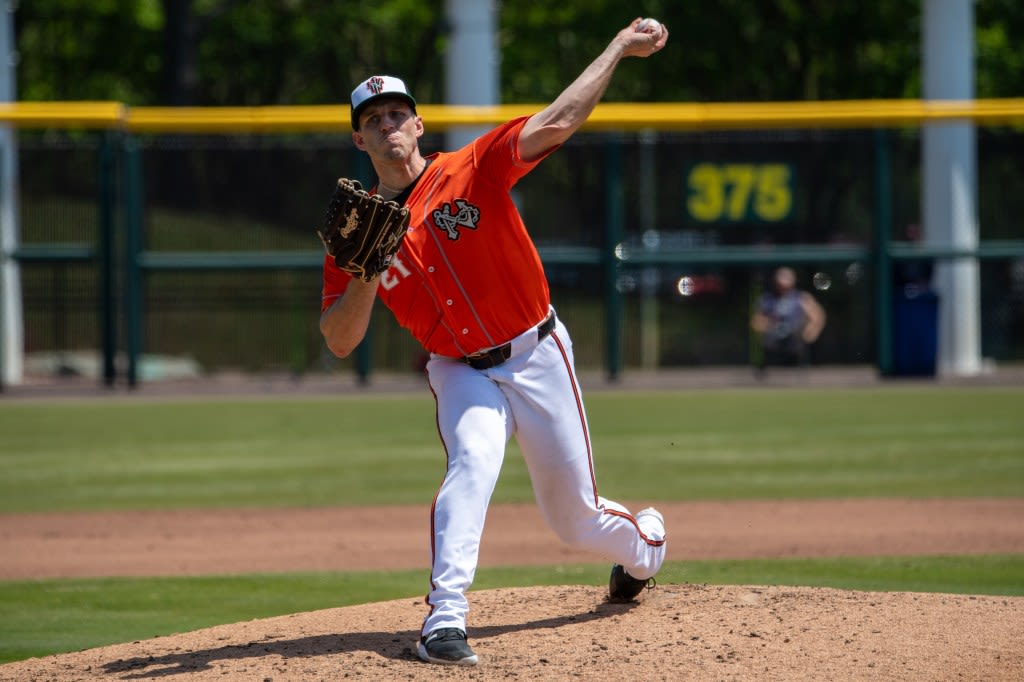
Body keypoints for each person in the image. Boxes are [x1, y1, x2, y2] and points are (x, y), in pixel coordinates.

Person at [320, 18, 669, 667]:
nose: (389, 125)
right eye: (375, 119)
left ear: (419, 125)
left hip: (536, 351)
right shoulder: (354, 229)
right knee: (473, 462)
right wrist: (365, 271)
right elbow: (340, 339)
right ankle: (444, 621)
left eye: (399, 113)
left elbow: (559, 121)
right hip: (458, 368)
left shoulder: (472, 167)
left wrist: (618, 45)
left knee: (574, 519)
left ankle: (647, 544)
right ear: (358, 136)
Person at [750, 266, 826, 370]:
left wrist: (810, 331)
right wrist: (769, 325)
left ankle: (801, 367)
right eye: (781, 280)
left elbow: (817, 316)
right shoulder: (767, 299)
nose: (783, 284)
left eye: (787, 279)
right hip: (773, 337)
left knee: (799, 339)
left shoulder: (801, 297)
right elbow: (756, 321)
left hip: (794, 337)